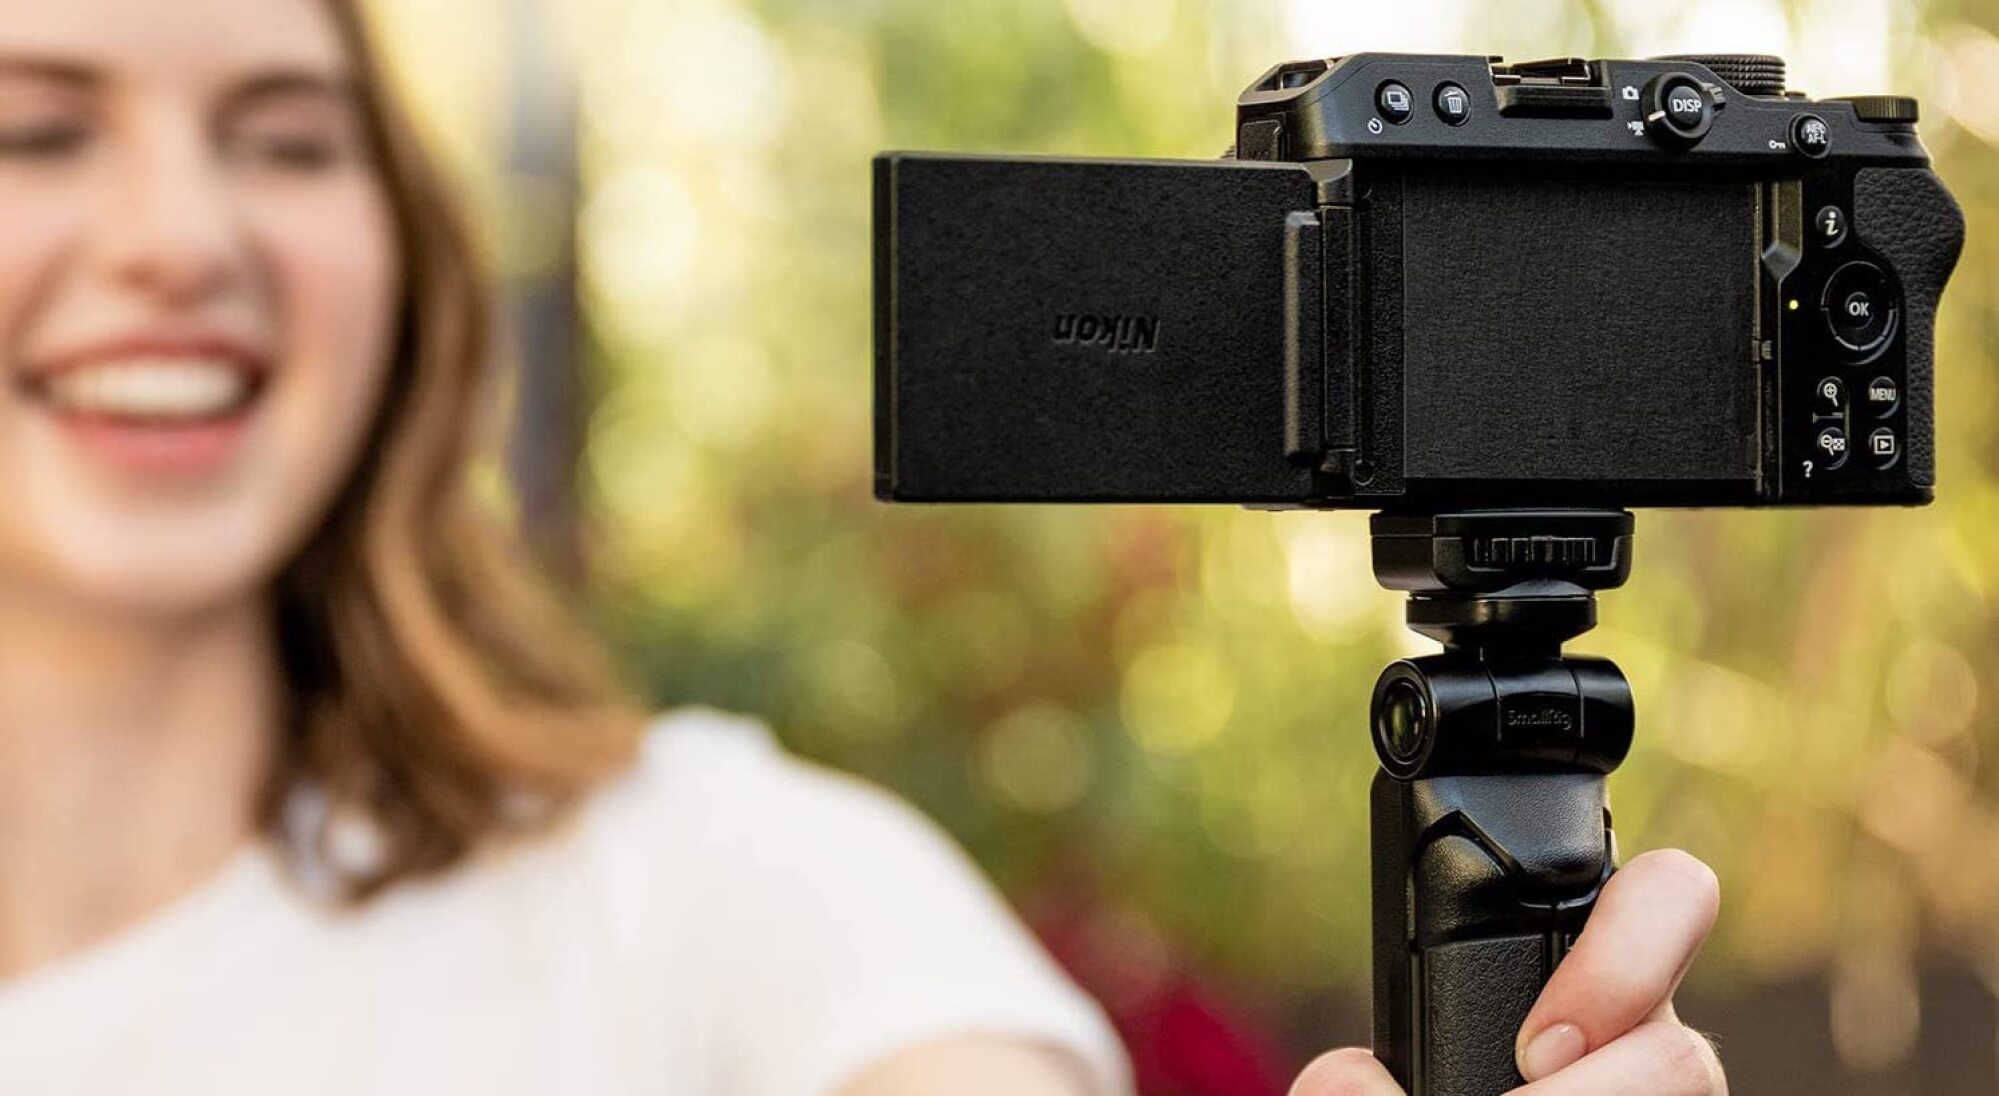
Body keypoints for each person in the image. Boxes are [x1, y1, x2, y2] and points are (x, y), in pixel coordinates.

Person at [0, 0, 1728, 1093]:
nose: (176, 236)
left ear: (400, 258)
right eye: (38, 126)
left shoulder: (707, 884)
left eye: (288, 138)